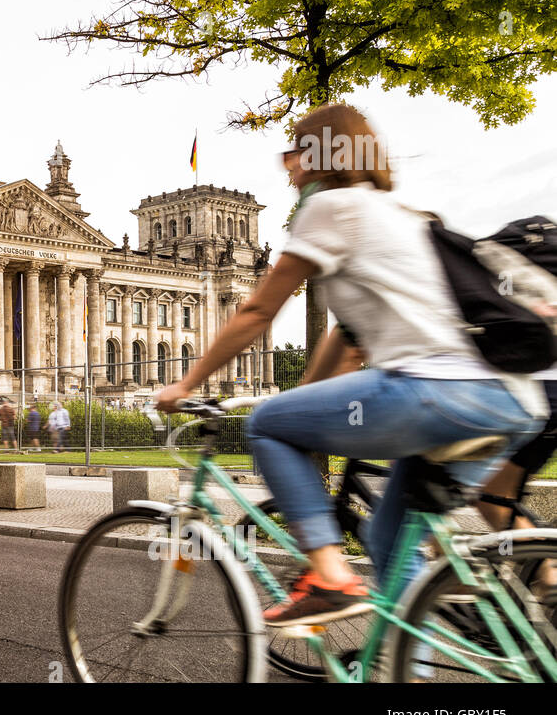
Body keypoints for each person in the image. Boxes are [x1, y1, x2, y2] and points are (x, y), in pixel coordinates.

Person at [156, 103, 545, 627]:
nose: (287, 163)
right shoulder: (408, 218)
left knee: (268, 423)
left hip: (432, 391)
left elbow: (257, 309)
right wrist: (314, 397)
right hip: (510, 401)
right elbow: (353, 333)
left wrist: (187, 383)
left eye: (294, 149)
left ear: (322, 154)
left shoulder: (329, 207)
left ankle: (328, 575)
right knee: (392, 544)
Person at [475, 366, 557, 599]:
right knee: (501, 503)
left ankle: (548, 572)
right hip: (540, 397)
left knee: (489, 499)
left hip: (540, 398)